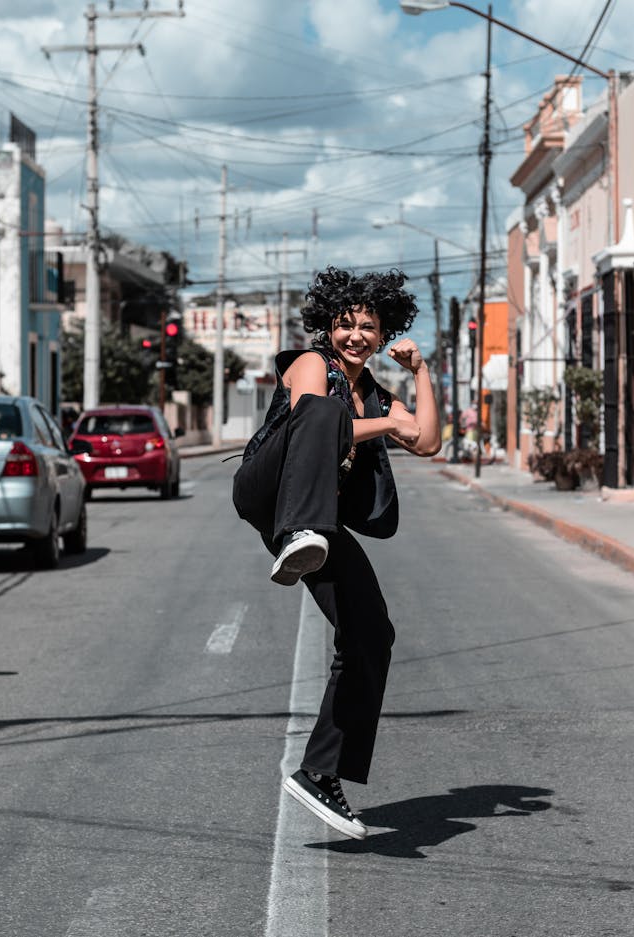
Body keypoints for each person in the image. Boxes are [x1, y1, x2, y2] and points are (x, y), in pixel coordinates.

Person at [232, 266, 441, 840]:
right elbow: (317, 424)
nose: (356, 335)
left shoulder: (375, 391)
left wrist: (420, 374)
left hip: (318, 522)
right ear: (328, 326)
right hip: (269, 492)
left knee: (373, 632)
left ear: (382, 333)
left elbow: (426, 441)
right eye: (345, 324)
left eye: (368, 327)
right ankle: (298, 534)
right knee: (323, 411)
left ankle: (320, 772)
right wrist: (381, 423)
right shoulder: (308, 364)